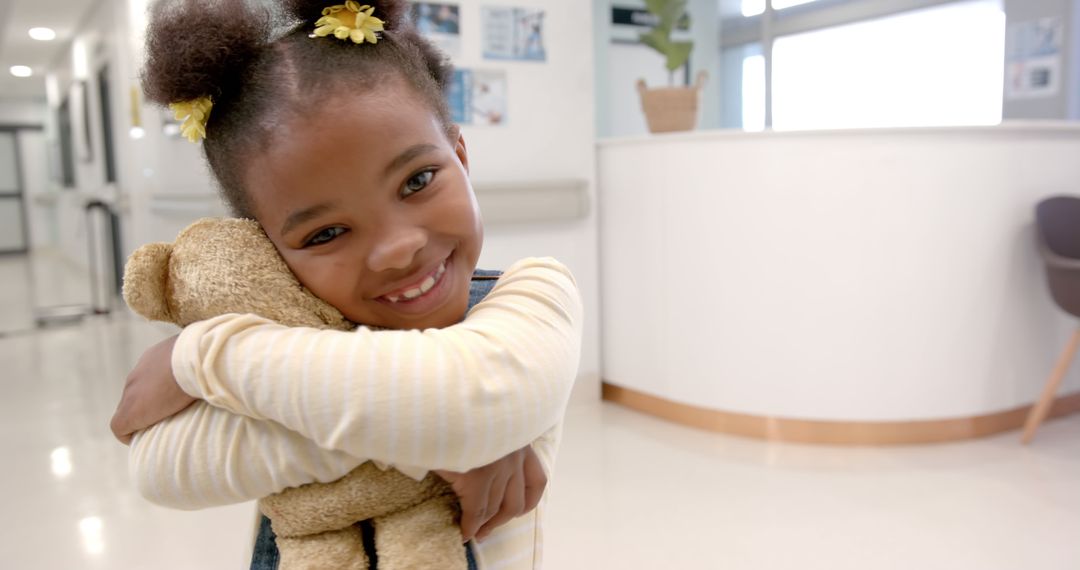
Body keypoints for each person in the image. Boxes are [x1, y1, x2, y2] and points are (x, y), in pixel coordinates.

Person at [107, 1, 583, 569]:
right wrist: (433, 443)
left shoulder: (536, 295)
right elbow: (160, 467)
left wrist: (200, 357)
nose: (397, 247)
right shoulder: (284, 335)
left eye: (418, 180)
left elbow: (470, 399)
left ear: (460, 155)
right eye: (327, 232)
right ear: (268, 251)